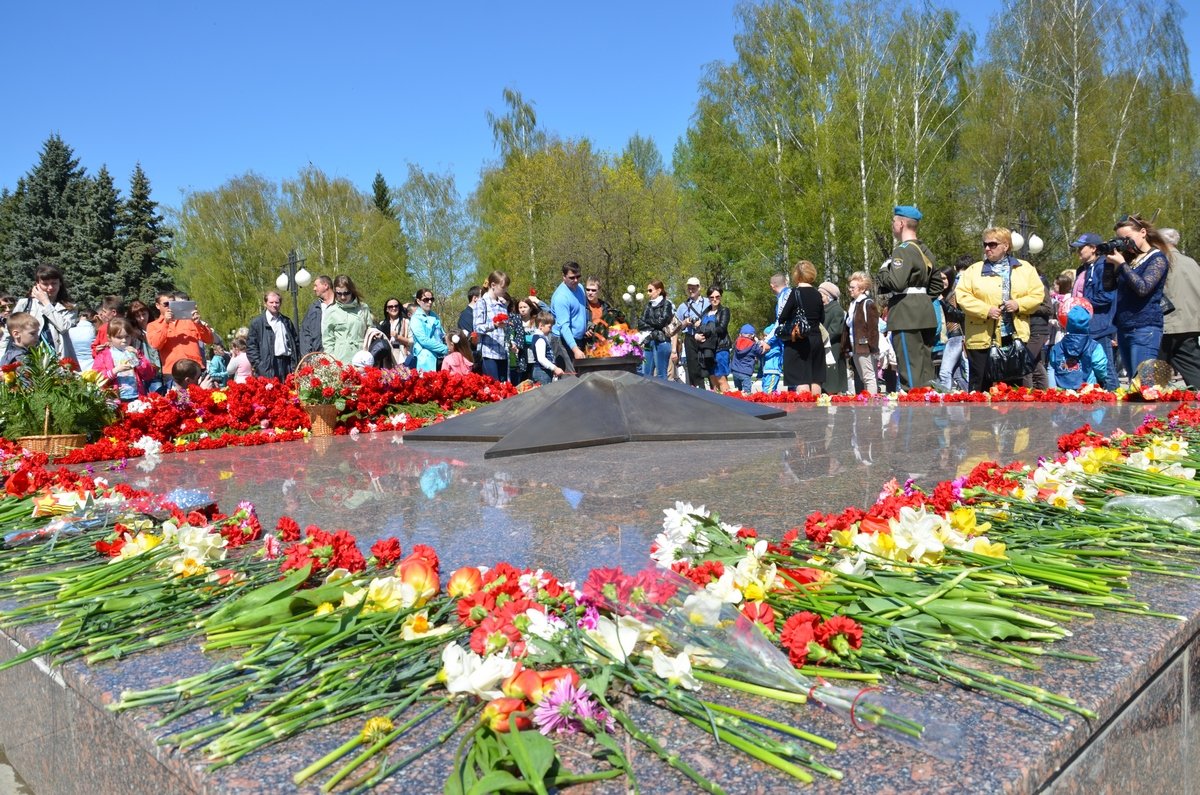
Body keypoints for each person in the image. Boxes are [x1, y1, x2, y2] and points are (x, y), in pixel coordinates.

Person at [955, 227, 1045, 391]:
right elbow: (962, 296)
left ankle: (1011, 417)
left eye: (993, 244)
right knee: (979, 386)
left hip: (1014, 336)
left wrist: (1018, 304)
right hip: (981, 337)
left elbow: (1038, 294)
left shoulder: (1025, 269)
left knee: (1014, 387)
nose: (987, 248)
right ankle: (979, 416)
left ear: (1006, 246)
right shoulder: (974, 270)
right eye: (985, 244)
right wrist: (985, 309)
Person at [876, 205, 939, 390]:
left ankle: (914, 414)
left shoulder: (903, 250)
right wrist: (921, 299)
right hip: (925, 312)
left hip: (906, 315)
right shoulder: (925, 250)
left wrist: (882, 272)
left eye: (894, 221)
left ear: (902, 223)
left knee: (909, 370)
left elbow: (897, 283)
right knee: (926, 369)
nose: (892, 225)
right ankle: (928, 410)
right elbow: (936, 286)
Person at [1106, 213, 1170, 381]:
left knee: (1144, 383)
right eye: (1121, 240)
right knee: (1133, 384)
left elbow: (1143, 288)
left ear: (1143, 232)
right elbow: (1108, 287)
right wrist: (1109, 263)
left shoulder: (1157, 258)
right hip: (1124, 327)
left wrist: (1122, 265)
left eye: (1127, 238)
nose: (1125, 244)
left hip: (1145, 327)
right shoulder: (1130, 260)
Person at [1070, 233, 1119, 390]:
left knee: (1105, 368)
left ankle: (1114, 404)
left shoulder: (1105, 266)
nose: (1078, 251)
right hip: (1084, 327)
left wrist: (1082, 303)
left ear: (1093, 248)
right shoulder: (1082, 269)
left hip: (1101, 325)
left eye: (1081, 248)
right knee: (1088, 368)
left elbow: (1107, 296)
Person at [1159, 228, 1200, 389]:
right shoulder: (1191, 262)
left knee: (1154, 372)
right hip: (1191, 322)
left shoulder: (1162, 261)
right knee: (1192, 366)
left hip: (1169, 323)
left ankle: (1148, 408)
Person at [777, 260, 826, 394]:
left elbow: (782, 317)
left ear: (796, 275)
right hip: (816, 339)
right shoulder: (818, 294)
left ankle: (806, 412)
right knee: (816, 378)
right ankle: (818, 410)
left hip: (799, 340)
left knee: (801, 378)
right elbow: (822, 319)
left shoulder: (794, 293)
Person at [146, 291, 214, 387]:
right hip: (173, 373)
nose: (170, 307)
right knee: (178, 402)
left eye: (173, 304)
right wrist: (166, 323)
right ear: (157, 306)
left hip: (196, 370)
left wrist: (199, 324)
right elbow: (156, 344)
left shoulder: (190, 320)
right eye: (166, 304)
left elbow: (209, 339)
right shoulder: (153, 326)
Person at [12, 263, 77, 363]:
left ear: (60, 283)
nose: (50, 287)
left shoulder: (69, 307)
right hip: (29, 358)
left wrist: (46, 303)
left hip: (58, 360)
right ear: (37, 284)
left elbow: (63, 327)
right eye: (45, 284)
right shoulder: (25, 304)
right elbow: (10, 332)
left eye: (54, 283)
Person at [90, 318, 157, 401]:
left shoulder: (134, 352)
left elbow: (149, 374)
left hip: (137, 396)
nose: (124, 340)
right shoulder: (104, 355)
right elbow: (96, 378)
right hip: (116, 399)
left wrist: (139, 361)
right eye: (119, 337)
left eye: (127, 336)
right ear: (109, 337)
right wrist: (115, 371)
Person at [1048, 303, 1109, 390]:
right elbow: (1100, 368)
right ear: (1087, 323)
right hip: (1087, 391)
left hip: (1062, 392)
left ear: (1068, 323)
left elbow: (1051, 369)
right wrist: (1101, 380)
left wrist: (1052, 390)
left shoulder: (1057, 347)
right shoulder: (1094, 346)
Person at [322, 275, 375, 365]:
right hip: (340, 360)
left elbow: (370, 332)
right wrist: (331, 360)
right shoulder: (331, 311)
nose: (343, 297)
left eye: (346, 293)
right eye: (339, 293)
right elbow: (328, 340)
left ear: (352, 291)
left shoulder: (363, 308)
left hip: (362, 358)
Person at [842, 271, 880, 395]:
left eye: (853, 288)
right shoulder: (853, 304)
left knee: (869, 377)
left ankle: (872, 405)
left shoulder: (868, 304)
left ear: (862, 289)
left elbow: (873, 329)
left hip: (865, 347)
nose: (850, 290)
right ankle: (868, 405)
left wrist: (873, 348)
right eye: (850, 287)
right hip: (855, 347)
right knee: (864, 377)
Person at [248, 291, 300, 379]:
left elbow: (296, 343)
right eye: (271, 302)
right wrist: (260, 366)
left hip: (287, 364)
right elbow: (251, 347)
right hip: (269, 364)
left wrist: (295, 363)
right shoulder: (257, 323)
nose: (274, 305)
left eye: (277, 302)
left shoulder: (286, 321)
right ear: (265, 304)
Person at [473, 270, 511, 383]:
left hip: (503, 352)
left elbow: (505, 328)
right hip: (488, 353)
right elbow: (477, 327)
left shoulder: (503, 304)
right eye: (503, 287)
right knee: (493, 387)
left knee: (505, 388)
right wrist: (494, 325)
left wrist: (511, 341)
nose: (505, 290)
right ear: (493, 285)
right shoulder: (482, 303)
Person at [550, 262, 588, 373]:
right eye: (572, 278)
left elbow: (582, 311)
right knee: (570, 376)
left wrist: (588, 325)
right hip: (562, 341)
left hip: (578, 338)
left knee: (581, 374)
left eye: (578, 277)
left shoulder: (580, 288)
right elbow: (564, 327)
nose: (576, 280)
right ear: (564, 277)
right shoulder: (561, 297)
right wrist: (575, 349)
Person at [672, 277, 710, 387]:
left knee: (710, 368)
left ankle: (715, 394)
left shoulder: (708, 302)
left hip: (706, 337)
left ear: (699, 288)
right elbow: (674, 328)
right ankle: (698, 392)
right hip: (690, 338)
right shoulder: (682, 307)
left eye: (693, 288)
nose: (691, 291)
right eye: (689, 288)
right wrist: (685, 322)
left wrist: (702, 324)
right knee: (694, 370)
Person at [697, 286, 732, 391]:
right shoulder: (705, 312)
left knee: (721, 378)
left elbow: (721, 328)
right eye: (712, 297)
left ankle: (727, 403)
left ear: (720, 297)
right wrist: (697, 335)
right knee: (712, 378)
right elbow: (698, 328)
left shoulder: (724, 311)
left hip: (720, 348)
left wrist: (705, 329)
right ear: (708, 298)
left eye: (717, 296)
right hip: (707, 349)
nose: (715, 299)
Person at [637, 280, 674, 379]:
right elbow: (640, 323)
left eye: (650, 290)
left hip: (661, 341)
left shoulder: (666, 304)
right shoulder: (648, 305)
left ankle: (663, 394)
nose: (648, 293)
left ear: (658, 290)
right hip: (649, 340)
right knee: (646, 374)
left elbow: (662, 322)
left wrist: (648, 322)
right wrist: (655, 324)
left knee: (661, 374)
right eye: (647, 291)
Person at [818, 281, 848, 394]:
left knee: (832, 374)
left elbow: (835, 331)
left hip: (833, 347)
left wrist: (821, 339)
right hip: (824, 345)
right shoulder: (823, 309)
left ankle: (834, 392)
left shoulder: (837, 310)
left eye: (821, 294)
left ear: (828, 296)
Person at [409, 288, 449, 372]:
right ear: (418, 301)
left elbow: (441, 333)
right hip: (425, 358)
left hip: (440, 357)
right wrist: (445, 349)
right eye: (426, 300)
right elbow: (424, 340)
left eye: (432, 299)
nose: (430, 302)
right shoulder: (415, 318)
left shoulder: (434, 316)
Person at [299, 275, 334, 357]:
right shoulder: (313, 308)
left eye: (316, 285)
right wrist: (306, 356)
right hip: (317, 355)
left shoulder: (340, 305)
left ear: (326, 286)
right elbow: (305, 332)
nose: (314, 289)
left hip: (337, 355)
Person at [530, 311, 564, 385]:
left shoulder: (542, 338)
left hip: (545, 372)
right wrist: (555, 368)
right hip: (542, 373)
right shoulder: (540, 339)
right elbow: (541, 359)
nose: (551, 329)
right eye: (549, 327)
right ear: (541, 325)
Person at [377, 297, 411, 368]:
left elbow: (411, 342)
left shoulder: (406, 322)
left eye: (396, 306)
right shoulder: (382, 324)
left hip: (401, 356)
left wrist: (398, 337)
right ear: (386, 309)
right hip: (386, 357)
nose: (394, 308)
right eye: (390, 306)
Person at [730, 324, 762, 393]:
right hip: (746, 372)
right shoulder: (753, 345)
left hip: (735, 371)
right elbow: (760, 352)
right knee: (747, 393)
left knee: (737, 391)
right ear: (752, 335)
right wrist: (758, 342)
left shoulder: (737, 342)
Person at [68, 306, 96, 373]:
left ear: (80, 317)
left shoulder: (70, 331)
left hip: (74, 364)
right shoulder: (95, 331)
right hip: (92, 365)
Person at [760, 323, 784, 394]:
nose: (765, 338)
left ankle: (767, 405)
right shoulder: (769, 345)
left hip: (773, 371)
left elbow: (768, 354)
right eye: (764, 336)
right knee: (766, 391)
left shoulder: (775, 346)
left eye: (766, 336)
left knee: (768, 392)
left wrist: (762, 350)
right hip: (766, 371)